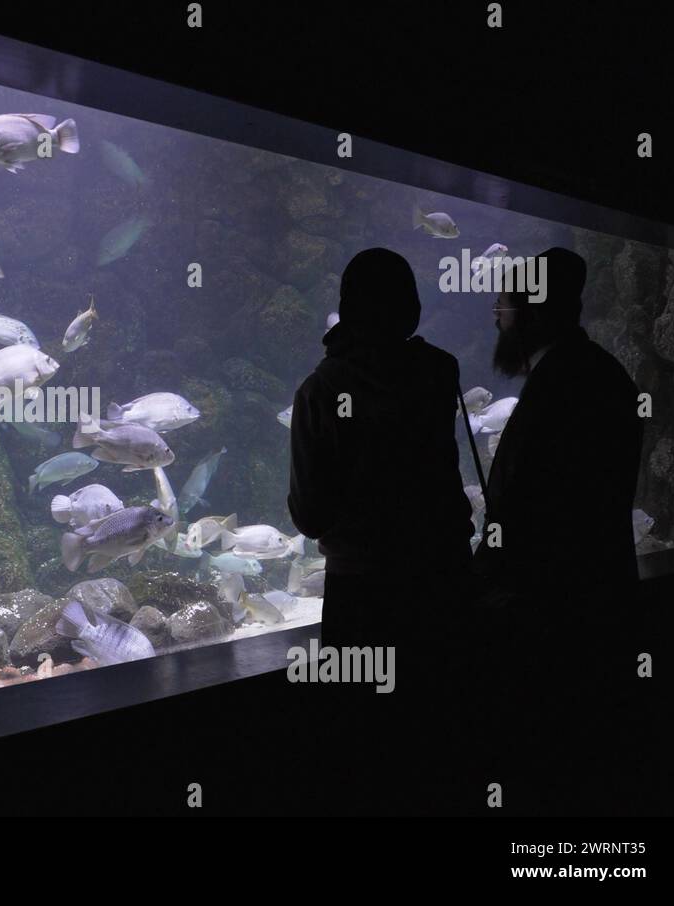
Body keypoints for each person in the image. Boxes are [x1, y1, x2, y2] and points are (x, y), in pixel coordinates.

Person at [288, 247, 474, 812]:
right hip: (445, 587)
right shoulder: (441, 371)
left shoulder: (319, 391)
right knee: (446, 737)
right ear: (413, 310)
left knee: (362, 744)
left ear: (345, 311)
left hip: (362, 597)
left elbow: (310, 516)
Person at [472, 246, 644, 812]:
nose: (497, 309)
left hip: (549, 626)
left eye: (509, 301)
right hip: (603, 607)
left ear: (535, 311)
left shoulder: (557, 389)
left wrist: (482, 583)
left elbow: (530, 511)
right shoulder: (605, 374)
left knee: (551, 777)